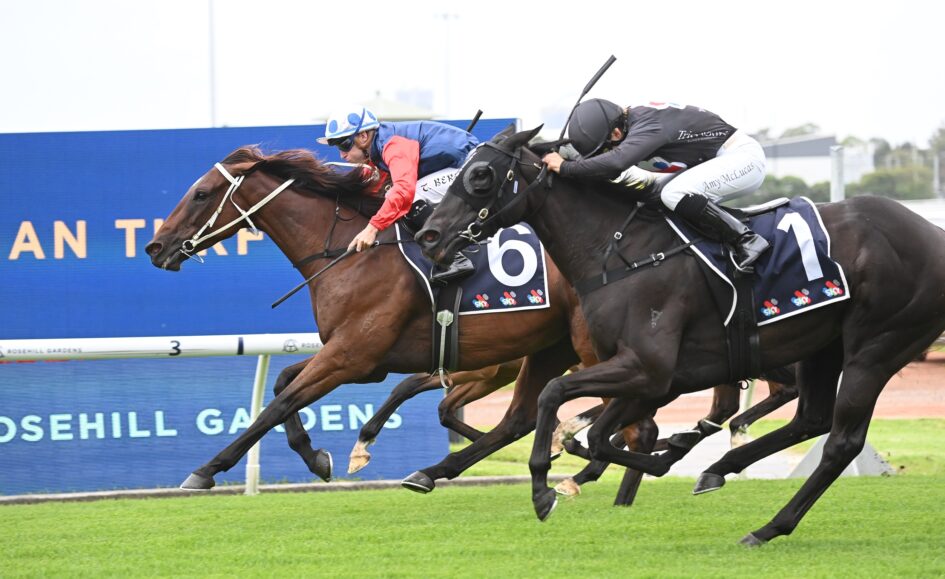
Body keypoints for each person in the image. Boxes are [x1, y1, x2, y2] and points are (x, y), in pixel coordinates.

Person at [542, 99, 770, 270]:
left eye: (605, 149)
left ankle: (746, 239)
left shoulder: (648, 126)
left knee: (673, 193)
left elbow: (615, 163)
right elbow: (604, 166)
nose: (605, 154)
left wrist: (566, 168)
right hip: (716, 160)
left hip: (742, 159)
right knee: (654, 195)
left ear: (616, 133)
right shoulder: (632, 122)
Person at [318, 106, 480, 283]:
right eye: (338, 147)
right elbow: (373, 190)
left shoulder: (392, 145)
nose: (342, 155)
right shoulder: (377, 150)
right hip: (462, 165)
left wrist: (372, 229)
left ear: (363, 136)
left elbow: (403, 191)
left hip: (472, 166)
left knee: (411, 195)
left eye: (344, 145)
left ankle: (454, 258)